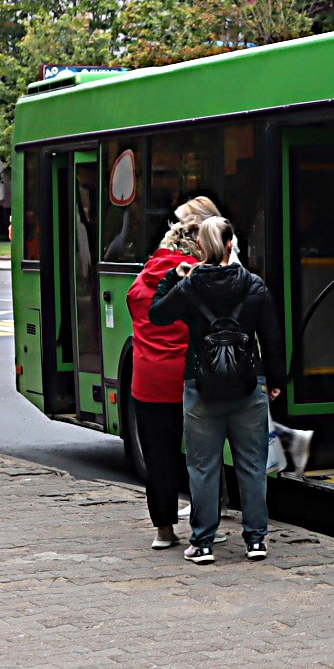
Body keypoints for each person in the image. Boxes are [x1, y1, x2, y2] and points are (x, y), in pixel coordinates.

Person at [150, 216, 284, 564]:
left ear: (200, 248)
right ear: (229, 245)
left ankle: (203, 544)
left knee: (204, 466)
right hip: (247, 386)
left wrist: (171, 276)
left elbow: (157, 315)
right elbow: (271, 337)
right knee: (252, 465)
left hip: (201, 388)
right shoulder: (254, 285)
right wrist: (276, 382)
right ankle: (256, 540)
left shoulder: (190, 287)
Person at [125, 205, 208, 549]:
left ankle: (163, 532)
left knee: (159, 456)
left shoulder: (140, 282)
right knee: (202, 456)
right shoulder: (193, 281)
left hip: (147, 383)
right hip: (189, 381)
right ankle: (204, 529)